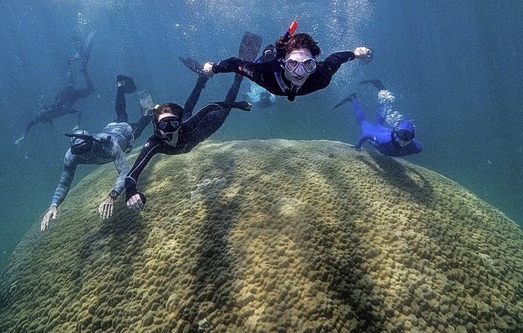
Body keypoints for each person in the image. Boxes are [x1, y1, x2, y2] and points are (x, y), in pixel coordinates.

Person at [124, 32, 262, 210]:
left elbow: (211, 107)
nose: (169, 131)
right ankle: (202, 77)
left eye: (173, 124)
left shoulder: (185, 126)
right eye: (163, 126)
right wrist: (130, 191)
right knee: (187, 110)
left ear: (178, 124)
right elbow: (132, 175)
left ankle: (236, 76)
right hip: (191, 132)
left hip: (201, 130)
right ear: (157, 128)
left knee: (214, 112)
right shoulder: (154, 144)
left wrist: (236, 105)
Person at [40, 75, 152, 230]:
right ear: (73, 148)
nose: (83, 154)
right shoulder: (71, 156)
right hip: (110, 128)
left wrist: (112, 197)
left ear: (91, 142)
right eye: (78, 150)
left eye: (84, 148)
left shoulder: (108, 146)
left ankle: (148, 111)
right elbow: (64, 183)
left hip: (125, 133)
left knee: (140, 120)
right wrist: (53, 205)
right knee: (121, 114)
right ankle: (120, 85)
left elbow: (125, 171)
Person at [201, 20, 372, 101]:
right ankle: (270, 50)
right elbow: (234, 63)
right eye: (293, 64)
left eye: (308, 64)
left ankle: (273, 50)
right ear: (284, 63)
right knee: (267, 57)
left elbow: (337, 59)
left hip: (279, 74)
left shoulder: (322, 75)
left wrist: (355, 54)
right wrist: (214, 68)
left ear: (315, 64)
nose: (299, 72)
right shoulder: (263, 74)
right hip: (271, 65)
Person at [15, 33, 95, 145]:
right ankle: (83, 69)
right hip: (72, 96)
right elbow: (32, 123)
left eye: (44, 114)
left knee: (71, 86)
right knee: (90, 90)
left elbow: (32, 123)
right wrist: (77, 124)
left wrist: (23, 136)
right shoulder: (54, 113)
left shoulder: (54, 110)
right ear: (48, 119)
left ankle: (70, 65)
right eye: (45, 116)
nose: (45, 114)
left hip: (68, 93)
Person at [333, 80, 422, 157]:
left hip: (383, 132)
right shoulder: (384, 139)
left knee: (379, 123)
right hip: (377, 132)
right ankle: (353, 99)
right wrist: (358, 145)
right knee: (363, 123)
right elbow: (366, 134)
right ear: (397, 133)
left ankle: (383, 94)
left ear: (412, 138)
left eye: (408, 137)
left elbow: (417, 147)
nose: (403, 140)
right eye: (401, 134)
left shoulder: (416, 147)